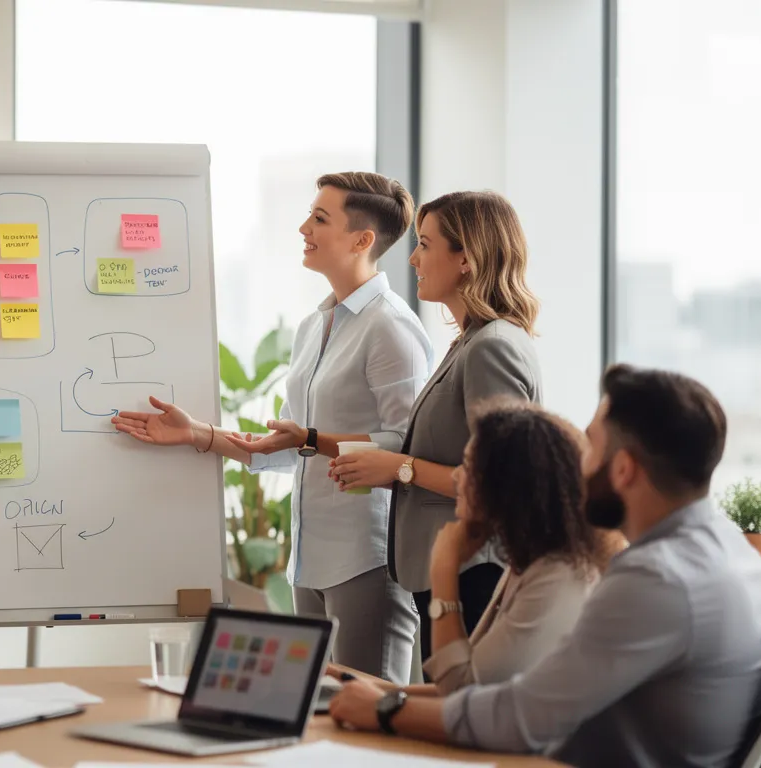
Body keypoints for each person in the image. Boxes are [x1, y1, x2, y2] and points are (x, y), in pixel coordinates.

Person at [328, 365, 761, 768]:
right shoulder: (732, 553)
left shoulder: (657, 579)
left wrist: (386, 710)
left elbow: (519, 718)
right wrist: (381, 693)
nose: (575, 466)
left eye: (590, 447)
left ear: (624, 470)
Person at [113, 172, 432, 684]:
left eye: (320, 219)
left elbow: (406, 448)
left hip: (366, 560)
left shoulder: (391, 328)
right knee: (315, 722)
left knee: (368, 730)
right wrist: (199, 433)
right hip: (309, 560)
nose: (304, 227)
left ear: (362, 240)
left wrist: (310, 441)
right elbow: (291, 449)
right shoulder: (315, 326)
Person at [328, 190, 543, 659]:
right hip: (454, 570)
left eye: (425, 244)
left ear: (466, 257)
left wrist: (399, 468)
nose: (412, 258)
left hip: (475, 572)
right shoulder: (472, 342)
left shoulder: (492, 347)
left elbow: (500, 485)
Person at [327, 399, 618, 696]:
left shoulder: (557, 576)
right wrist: (349, 682)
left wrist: (443, 569)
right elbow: (460, 689)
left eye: (468, 466)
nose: (456, 476)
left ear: (508, 484)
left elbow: (460, 691)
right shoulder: (531, 564)